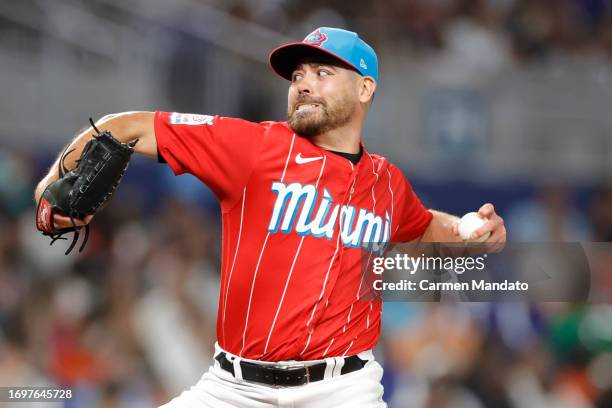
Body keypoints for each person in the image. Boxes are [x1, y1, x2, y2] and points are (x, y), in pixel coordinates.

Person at [34, 27, 506, 408]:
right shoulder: (254, 148)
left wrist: (468, 229)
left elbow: (421, 225)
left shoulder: (387, 182)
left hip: (342, 390)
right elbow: (128, 126)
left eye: (323, 72)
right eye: (298, 74)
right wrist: (50, 183)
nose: (302, 83)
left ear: (365, 88)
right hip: (233, 388)